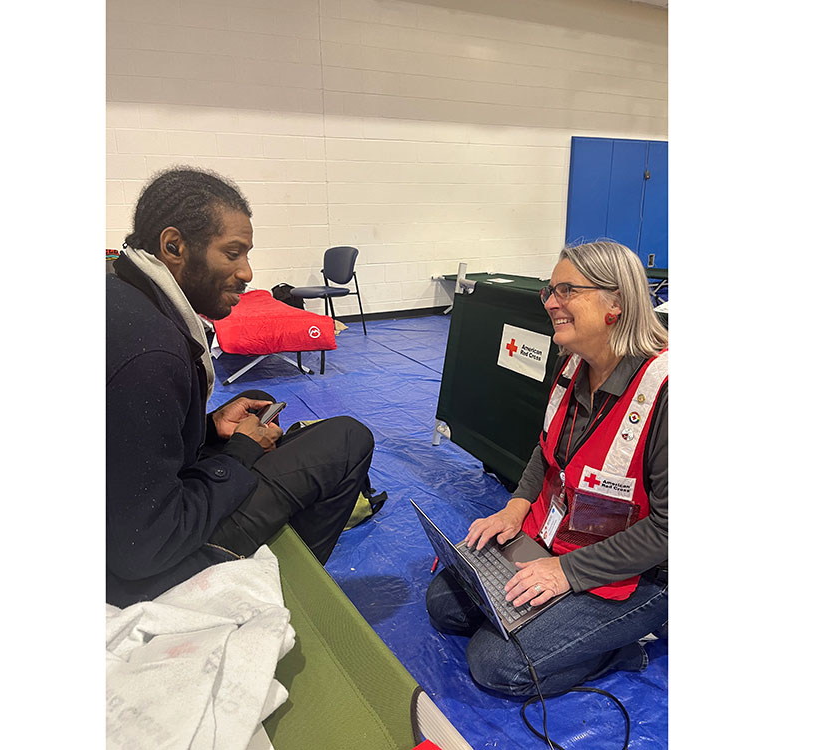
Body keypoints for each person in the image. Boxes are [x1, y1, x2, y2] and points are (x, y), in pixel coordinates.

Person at [107, 167, 375, 608]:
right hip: (140, 576)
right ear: (173, 246)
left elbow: (131, 445)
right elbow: (145, 546)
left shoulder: (119, 289)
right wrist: (241, 453)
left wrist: (212, 430)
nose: (247, 272)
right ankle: (280, 597)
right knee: (348, 439)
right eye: (232, 254)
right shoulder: (153, 355)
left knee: (261, 406)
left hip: (126, 517)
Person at [425, 241, 668, 697]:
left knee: (495, 664)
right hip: (559, 539)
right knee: (445, 605)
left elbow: (671, 530)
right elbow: (547, 450)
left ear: (615, 302)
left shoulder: (668, 390)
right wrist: (515, 508)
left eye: (567, 290)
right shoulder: (574, 363)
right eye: (549, 291)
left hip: (641, 574)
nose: (551, 302)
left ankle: (623, 647)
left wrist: (565, 573)